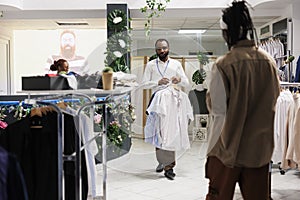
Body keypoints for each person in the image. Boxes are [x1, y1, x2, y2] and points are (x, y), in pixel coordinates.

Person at [205, 1, 280, 199]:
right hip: (259, 152)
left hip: (227, 151)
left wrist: (211, 153)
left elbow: (219, 114)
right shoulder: (269, 62)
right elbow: (273, 102)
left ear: (226, 33)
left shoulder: (224, 65)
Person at [142, 38, 190, 180]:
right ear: (155, 50)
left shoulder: (176, 64)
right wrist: (157, 82)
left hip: (173, 103)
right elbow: (144, 84)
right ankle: (161, 161)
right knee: (159, 133)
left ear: (168, 48)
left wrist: (179, 80)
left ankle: (169, 167)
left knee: (170, 132)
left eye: (164, 48)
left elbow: (186, 82)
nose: (162, 51)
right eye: (159, 49)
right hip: (157, 101)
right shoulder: (151, 65)